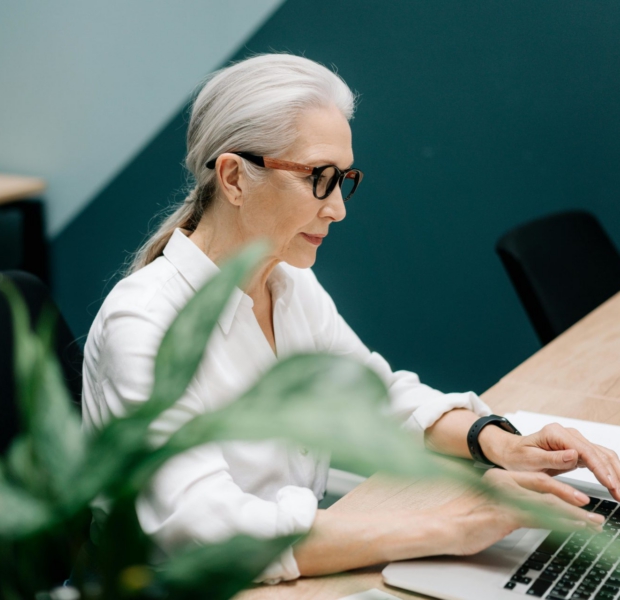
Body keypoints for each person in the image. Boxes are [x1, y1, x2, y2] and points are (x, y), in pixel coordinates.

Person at [81, 53, 620, 584]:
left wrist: (498, 441)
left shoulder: (289, 284)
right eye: (319, 177)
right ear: (234, 178)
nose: (337, 208)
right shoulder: (145, 325)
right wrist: (447, 528)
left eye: (344, 179)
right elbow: (206, 531)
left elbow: (376, 397)